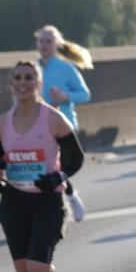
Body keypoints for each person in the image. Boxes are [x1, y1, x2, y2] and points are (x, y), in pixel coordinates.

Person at [0, 60, 83, 272]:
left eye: (29, 77)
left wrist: (58, 177)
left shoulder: (53, 118)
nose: (23, 82)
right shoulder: (2, 123)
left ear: (38, 84)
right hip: (14, 203)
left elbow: (76, 157)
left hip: (47, 203)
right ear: (12, 84)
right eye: (18, 77)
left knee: (37, 268)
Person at [35, 25, 92, 222]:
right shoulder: (32, 68)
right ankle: (62, 202)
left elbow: (85, 94)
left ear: (57, 44)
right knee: (48, 169)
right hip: (39, 126)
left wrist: (64, 96)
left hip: (65, 124)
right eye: (41, 41)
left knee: (61, 167)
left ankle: (71, 196)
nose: (44, 45)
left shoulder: (66, 68)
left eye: (48, 41)